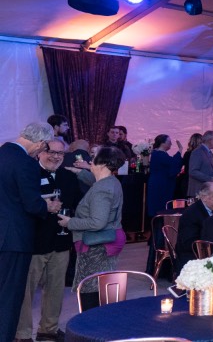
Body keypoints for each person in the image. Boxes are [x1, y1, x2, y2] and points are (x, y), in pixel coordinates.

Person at [1, 123, 61, 341]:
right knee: (9, 297)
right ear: (40, 143)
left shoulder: (2, 152)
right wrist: (48, 206)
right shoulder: (26, 163)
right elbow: (31, 204)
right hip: (14, 239)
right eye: (44, 147)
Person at [16, 137, 79, 342]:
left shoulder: (69, 177)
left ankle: (48, 330)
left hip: (61, 242)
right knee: (26, 292)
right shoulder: (29, 174)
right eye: (51, 151)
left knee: (55, 290)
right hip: (33, 243)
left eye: (60, 153)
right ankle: (23, 334)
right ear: (41, 152)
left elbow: (75, 206)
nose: (55, 156)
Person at [57, 147, 126, 312]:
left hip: (98, 244)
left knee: (90, 289)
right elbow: (96, 183)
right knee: (102, 286)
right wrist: (78, 172)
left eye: (93, 159)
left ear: (102, 164)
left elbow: (97, 223)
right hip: (109, 238)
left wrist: (70, 222)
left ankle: (90, 324)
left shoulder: (102, 189)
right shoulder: (111, 181)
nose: (90, 162)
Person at [175, 182, 213, 272]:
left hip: (210, 254)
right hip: (192, 259)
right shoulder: (191, 214)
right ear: (204, 197)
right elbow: (189, 243)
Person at [147, 134, 183, 216]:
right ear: (162, 143)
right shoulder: (159, 154)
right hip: (160, 184)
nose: (171, 144)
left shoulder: (157, 153)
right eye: (169, 142)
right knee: (160, 206)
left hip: (160, 182)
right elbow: (173, 163)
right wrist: (180, 150)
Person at [187, 130, 213, 196]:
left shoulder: (208, 152)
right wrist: (210, 179)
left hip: (205, 191)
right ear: (210, 140)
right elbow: (193, 171)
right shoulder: (198, 152)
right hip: (199, 191)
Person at [178, 133, 202, 197]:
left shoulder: (187, 153)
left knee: (188, 200)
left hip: (187, 181)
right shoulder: (202, 154)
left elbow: (182, 164)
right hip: (198, 181)